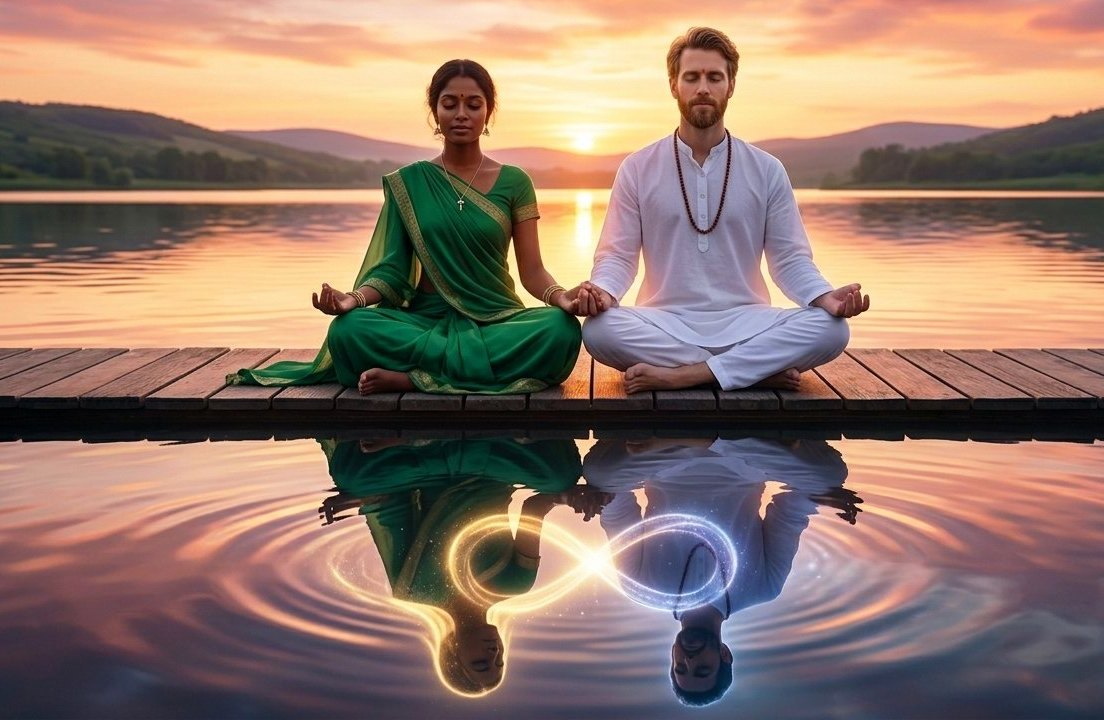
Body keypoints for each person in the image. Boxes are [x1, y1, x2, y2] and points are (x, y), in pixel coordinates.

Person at [229, 59, 582, 394]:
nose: (461, 114)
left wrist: (562, 298)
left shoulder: (514, 182)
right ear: (435, 112)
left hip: (497, 318)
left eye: (473, 105)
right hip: (422, 321)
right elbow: (392, 272)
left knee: (560, 330)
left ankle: (413, 379)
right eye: (450, 104)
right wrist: (352, 300)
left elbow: (533, 271)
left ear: (488, 112)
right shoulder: (410, 182)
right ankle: (457, 372)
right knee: (348, 331)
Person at [579, 27, 870, 394]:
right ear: (674, 85)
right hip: (663, 321)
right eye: (692, 77)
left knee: (832, 329)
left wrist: (825, 298)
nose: (703, 87)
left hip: (747, 319)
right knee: (599, 330)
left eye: (714, 77)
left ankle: (690, 375)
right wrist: (602, 291)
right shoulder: (637, 167)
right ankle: (754, 368)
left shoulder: (766, 169)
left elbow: (790, 259)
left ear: (730, 85)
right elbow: (617, 256)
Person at [583, 436, 862, 706]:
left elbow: (616, 510)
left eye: (680, 667)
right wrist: (817, 497)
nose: (689, 661)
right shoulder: (763, 589)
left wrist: (597, 499)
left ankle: (704, 439)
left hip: (667, 464)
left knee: (600, 473)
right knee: (830, 475)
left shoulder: (641, 588)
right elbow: (789, 516)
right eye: (702, 669)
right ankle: (711, 439)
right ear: (725, 655)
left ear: (672, 655)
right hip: (742, 466)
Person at [320, 436, 600, 696]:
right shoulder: (515, 584)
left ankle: (427, 435)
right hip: (491, 467)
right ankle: (469, 432)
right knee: (560, 476)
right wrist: (569, 497)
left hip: (429, 468)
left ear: (451, 652)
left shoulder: (414, 591)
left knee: (351, 477)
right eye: (500, 661)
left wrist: (365, 497)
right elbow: (533, 509)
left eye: (481, 663)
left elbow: (392, 512)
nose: (495, 653)